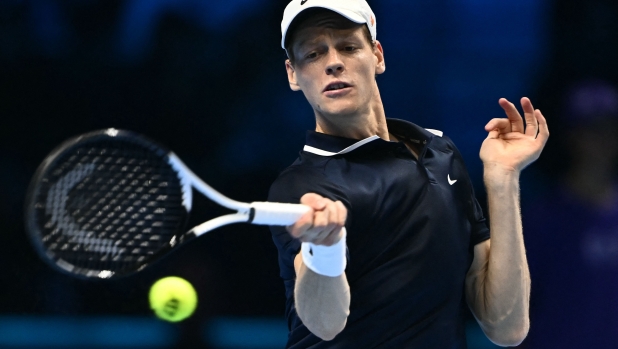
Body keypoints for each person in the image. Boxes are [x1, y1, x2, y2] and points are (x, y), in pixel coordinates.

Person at [268, 0, 549, 347]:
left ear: (378, 55)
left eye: (348, 46)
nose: (334, 62)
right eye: (313, 54)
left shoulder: (440, 153)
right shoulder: (303, 186)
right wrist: (323, 247)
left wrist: (502, 178)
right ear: (293, 74)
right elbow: (325, 324)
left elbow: (506, 327)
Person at [521, 80, 618, 348]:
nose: (603, 139)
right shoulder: (542, 219)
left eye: (610, 129)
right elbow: (515, 308)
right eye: (593, 129)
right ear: (572, 137)